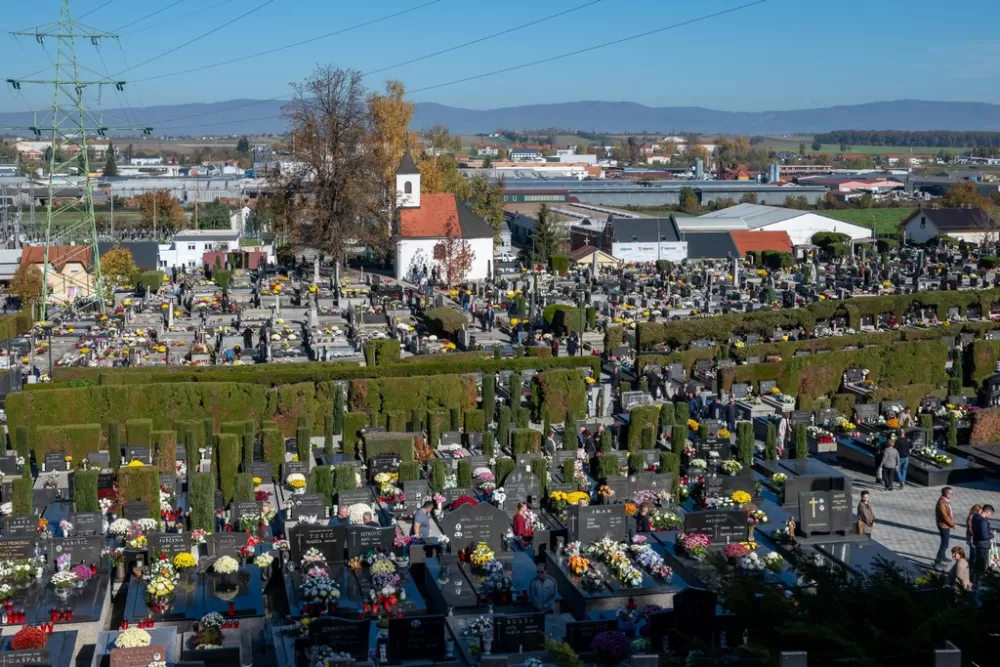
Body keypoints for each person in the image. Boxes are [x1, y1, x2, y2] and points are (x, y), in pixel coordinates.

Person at [971, 504, 995, 582]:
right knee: (982, 565)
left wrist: (988, 531)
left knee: (978, 563)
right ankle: (978, 581)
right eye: (990, 514)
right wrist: (992, 534)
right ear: (987, 511)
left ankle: (973, 578)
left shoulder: (975, 517)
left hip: (977, 543)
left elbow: (979, 531)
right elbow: (984, 537)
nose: (990, 515)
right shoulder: (983, 521)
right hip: (983, 546)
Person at [934, 487, 957, 569]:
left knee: (945, 542)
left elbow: (949, 513)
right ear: (946, 494)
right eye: (950, 493)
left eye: (952, 493)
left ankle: (943, 556)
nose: (951, 495)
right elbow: (945, 516)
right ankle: (938, 561)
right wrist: (952, 524)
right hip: (944, 525)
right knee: (945, 544)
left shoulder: (945, 501)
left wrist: (952, 520)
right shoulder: (942, 503)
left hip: (946, 525)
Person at [966, 504, 983, 569]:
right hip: (972, 538)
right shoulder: (971, 517)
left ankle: (971, 567)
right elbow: (970, 528)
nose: (980, 513)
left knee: (973, 553)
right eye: (979, 511)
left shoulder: (973, 516)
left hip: (972, 538)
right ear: (976, 510)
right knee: (973, 555)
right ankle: (972, 568)